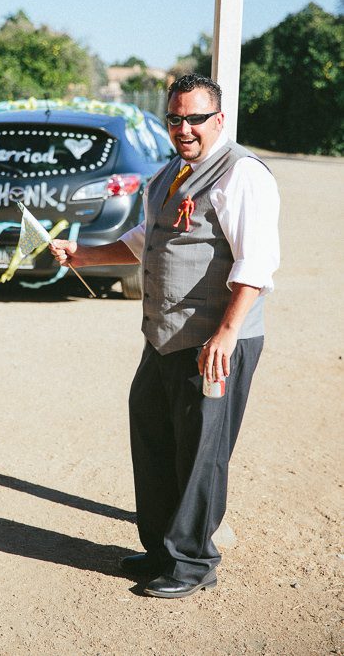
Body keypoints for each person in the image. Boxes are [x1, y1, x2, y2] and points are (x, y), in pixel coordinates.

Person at [49, 73, 280, 599]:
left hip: (213, 345)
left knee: (201, 453)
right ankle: (160, 548)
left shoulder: (242, 175)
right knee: (154, 438)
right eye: (175, 118)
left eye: (196, 118)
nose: (185, 128)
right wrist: (83, 255)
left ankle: (193, 562)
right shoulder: (170, 174)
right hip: (163, 339)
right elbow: (141, 240)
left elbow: (256, 264)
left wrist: (224, 335)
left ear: (219, 119)